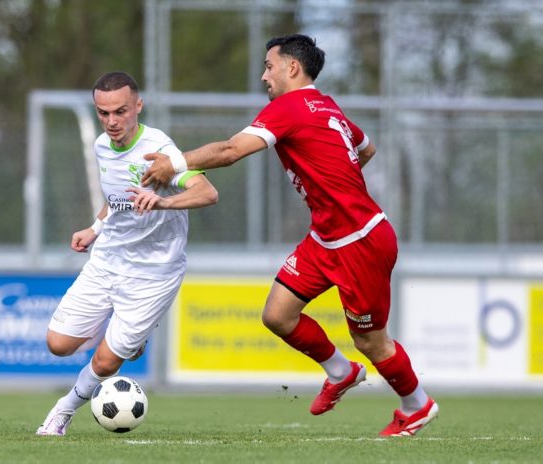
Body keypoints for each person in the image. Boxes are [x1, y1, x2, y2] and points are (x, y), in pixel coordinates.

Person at [141, 34, 438, 437]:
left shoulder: (291, 106)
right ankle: (341, 372)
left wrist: (174, 163)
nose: (264, 76)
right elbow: (366, 149)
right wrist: (332, 186)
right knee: (278, 315)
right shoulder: (326, 105)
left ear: (292, 67)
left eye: (269, 66)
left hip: (360, 241)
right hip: (326, 237)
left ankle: (417, 405)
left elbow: (230, 151)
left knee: (371, 342)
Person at [36, 72, 218, 436]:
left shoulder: (159, 151)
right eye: (103, 113)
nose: (112, 121)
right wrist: (94, 228)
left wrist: (163, 202)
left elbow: (207, 192)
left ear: (138, 106)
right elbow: (116, 196)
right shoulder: (102, 146)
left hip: (154, 272)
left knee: (105, 362)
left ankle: (62, 411)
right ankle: (129, 340)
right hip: (108, 260)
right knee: (58, 344)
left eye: (120, 111)